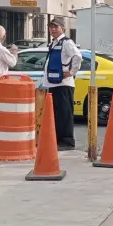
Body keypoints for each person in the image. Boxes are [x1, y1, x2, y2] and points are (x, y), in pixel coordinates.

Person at [42, 17, 82, 151]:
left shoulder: (67, 42)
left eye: (56, 27)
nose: (53, 29)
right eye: (51, 27)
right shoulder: (54, 43)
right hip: (53, 84)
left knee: (64, 114)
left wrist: (71, 72)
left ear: (63, 29)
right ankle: (59, 140)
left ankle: (67, 141)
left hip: (63, 84)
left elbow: (78, 56)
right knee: (57, 114)